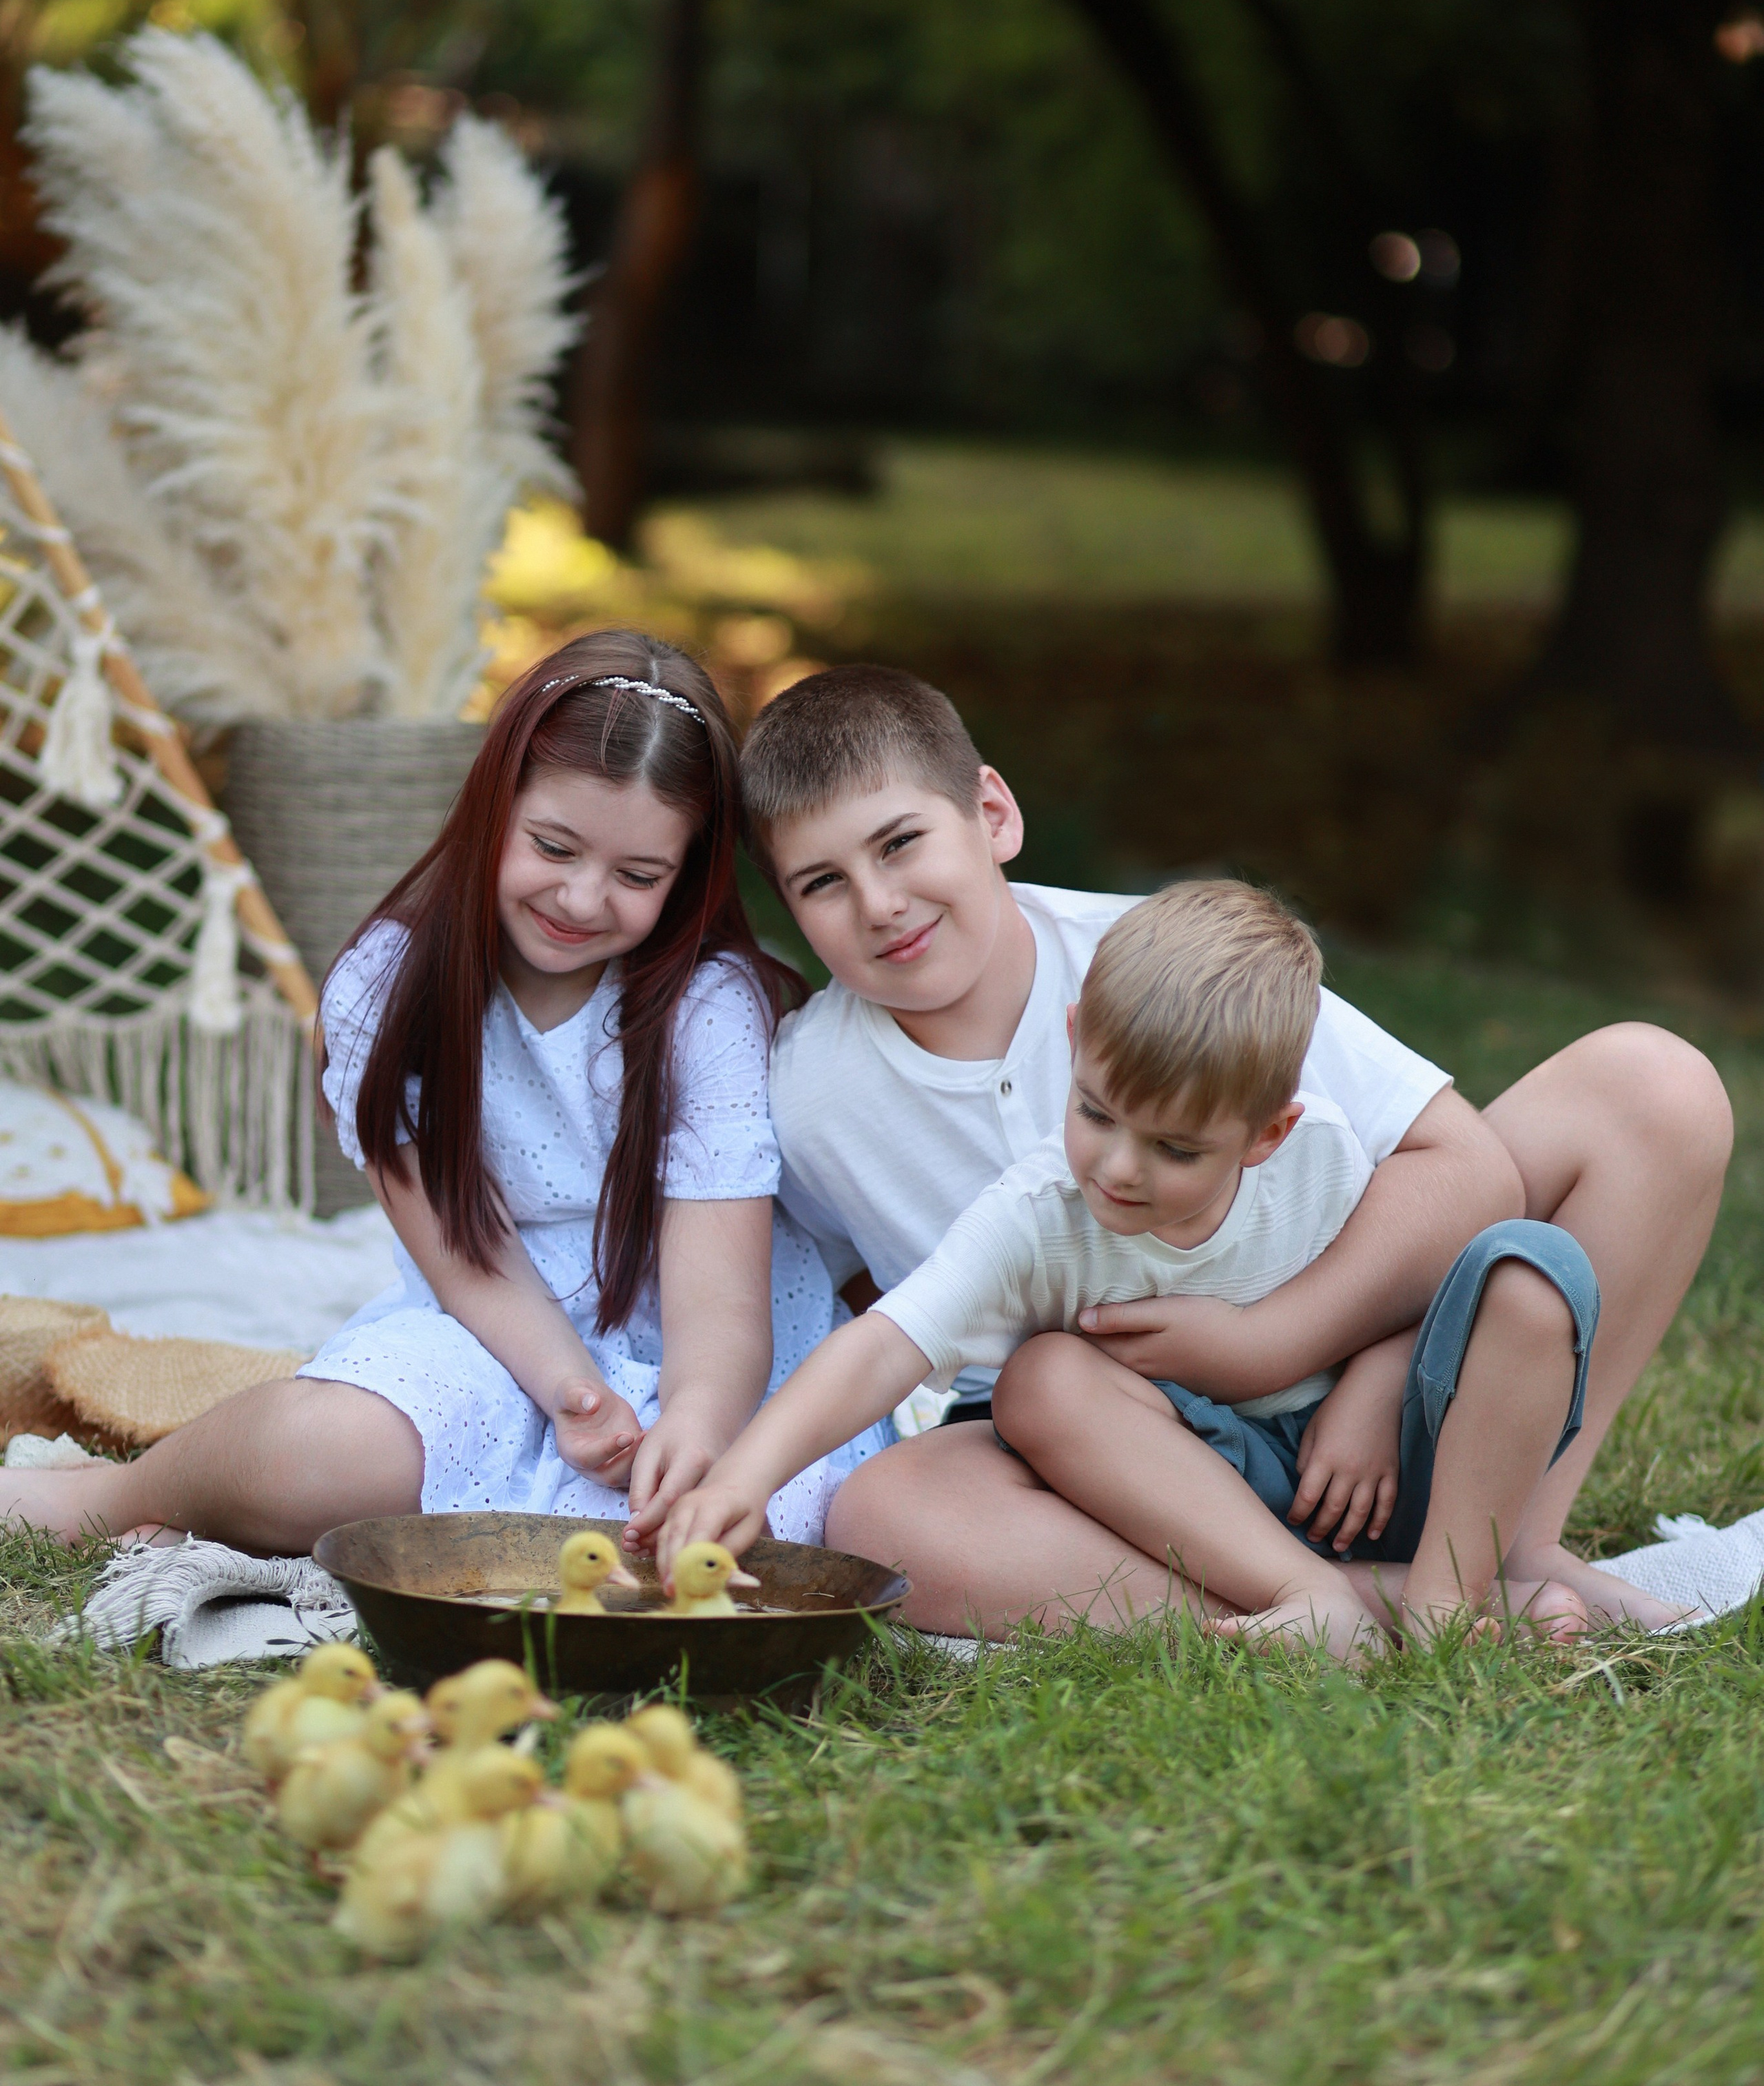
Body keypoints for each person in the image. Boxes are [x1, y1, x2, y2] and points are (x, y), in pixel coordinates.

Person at [668, 664, 1730, 1637]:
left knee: (1652, 1085)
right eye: (823, 883)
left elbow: (1467, 1168)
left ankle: (1515, 1536)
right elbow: (857, 1304)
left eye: (901, 844)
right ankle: (1375, 1606)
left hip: (1370, 1390)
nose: (881, 904)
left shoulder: (1169, 965)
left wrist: (1292, 1345)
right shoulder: (806, 1091)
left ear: (991, 813)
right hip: (1113, 1462)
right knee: (886, 1512)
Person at [2, 631, 887, 1553]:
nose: (584, 899)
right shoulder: (388, 987)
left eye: (638, 876)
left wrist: (698, 1430)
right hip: (494, 1335)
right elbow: (468, 1256)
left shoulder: (707, 1009)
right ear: (493, 807)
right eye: (554, 846)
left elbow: (723, 1308)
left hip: (720, 1366)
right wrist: (571, 1392)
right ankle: (112, 1496)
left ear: (689, 875)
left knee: (798, 1525)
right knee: (318, 1452)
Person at [657, 879, 1601, 1659]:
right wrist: (744, 1477)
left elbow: (1420, 1277)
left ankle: (1440, 1602)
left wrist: (1376, 1372)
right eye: (1098, 1113)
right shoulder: (1039, 1214)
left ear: (1269, 1131)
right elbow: (886, 1344)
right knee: (1045, 1381)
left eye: (1176, 1150)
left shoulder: (1326, 1158)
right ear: (1075, 1041)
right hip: (1195, 1497)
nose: (1117, 1169)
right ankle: (1333, 1604)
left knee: (1534, 1271)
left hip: (1385, 1467)